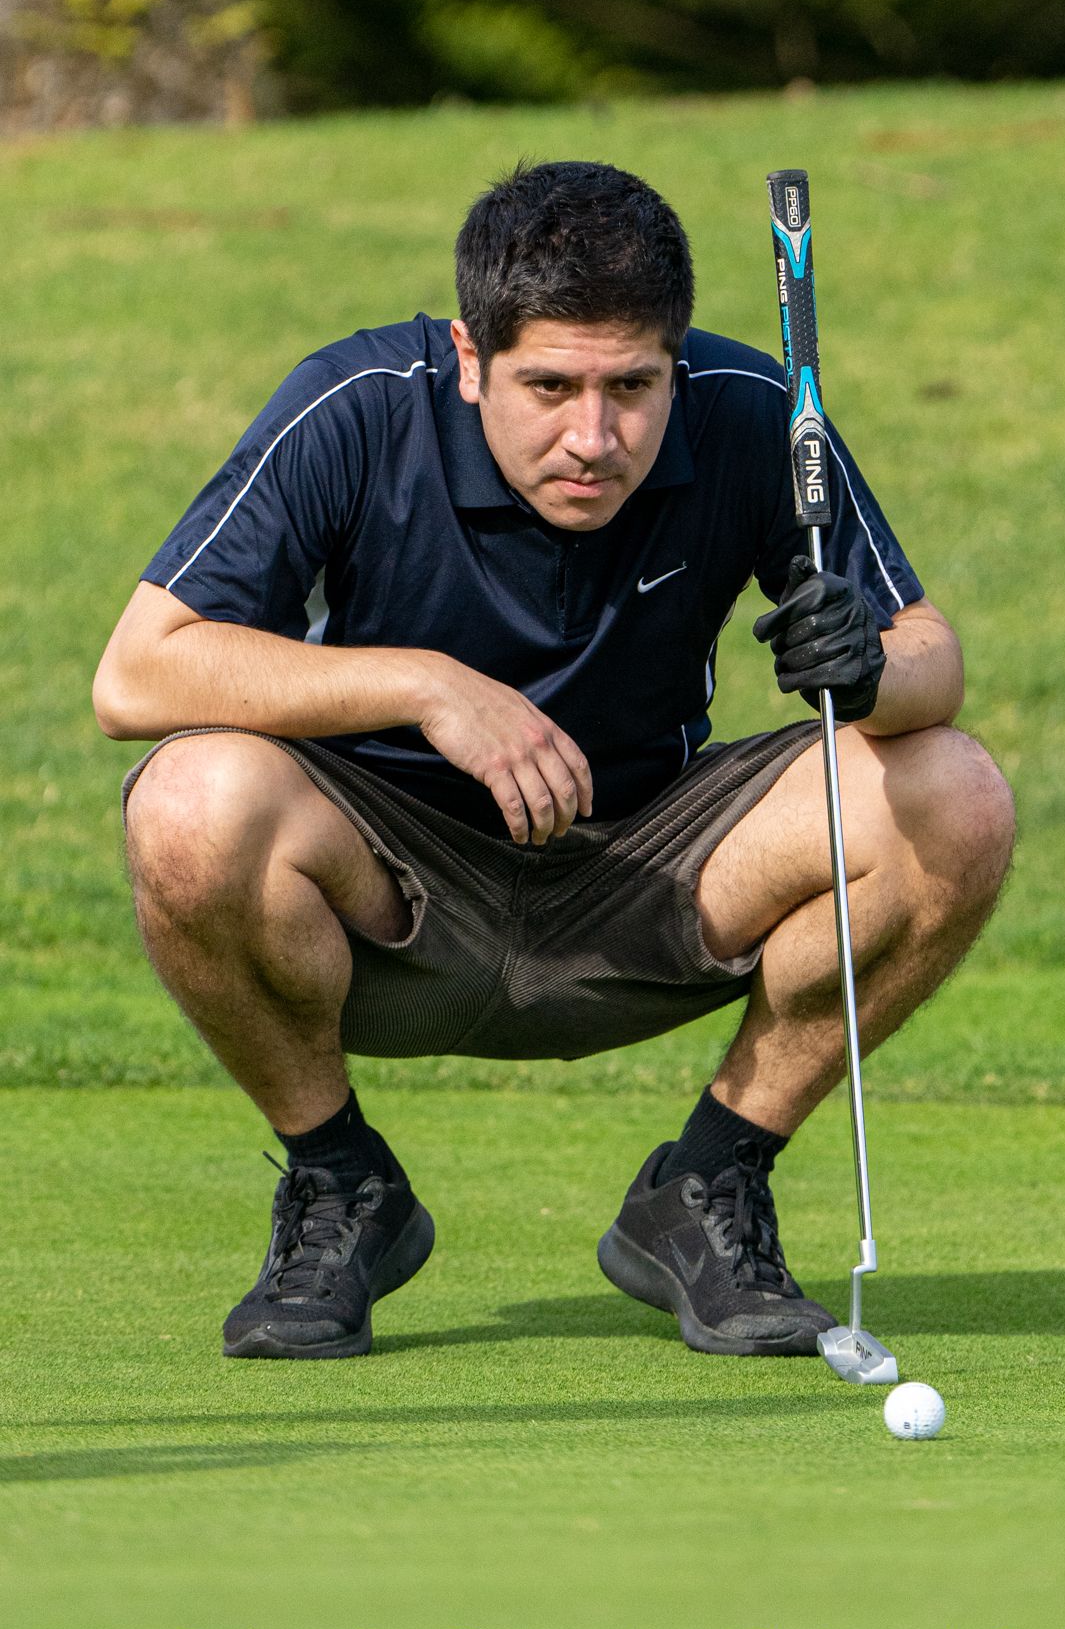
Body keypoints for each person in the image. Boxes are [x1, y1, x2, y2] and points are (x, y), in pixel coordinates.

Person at [94, 160, 1015, 1363]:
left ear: (675, 363)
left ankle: (708, 1182)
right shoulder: (360, 404)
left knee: (954, 793)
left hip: (652, 869)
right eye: (550, 386)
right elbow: (138, 673)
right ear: (472, 357)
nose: (595, 436)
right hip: (390, 886)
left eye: (633, 385)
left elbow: (931, 657)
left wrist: (875, 667)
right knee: (190, 800)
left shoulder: (749, 407)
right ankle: (340, 1182)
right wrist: (428, 686)